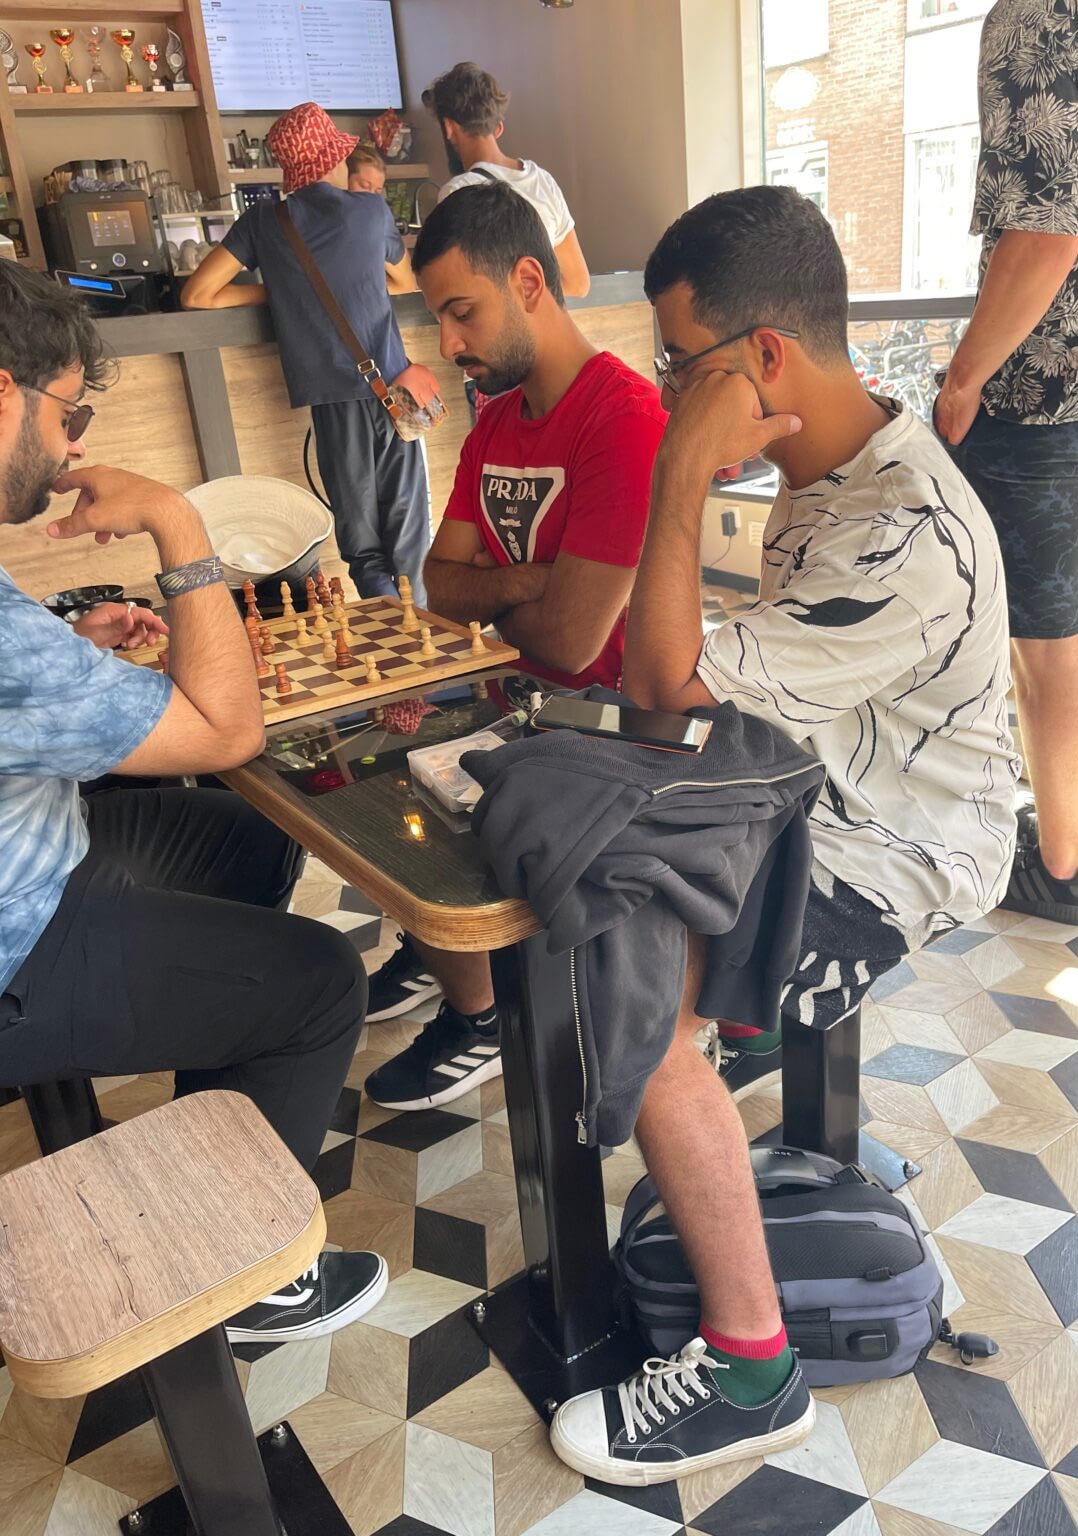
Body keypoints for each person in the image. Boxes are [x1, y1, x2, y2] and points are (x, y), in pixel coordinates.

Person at [544, 186, 1017, 1484]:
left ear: (760, 360)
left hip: (898, 845)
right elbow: (699, 678)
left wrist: (681, 465)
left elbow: (667, 680)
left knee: (622, 953)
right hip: (820, 787)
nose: (664, 386)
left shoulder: (901, 530)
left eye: (678, 366)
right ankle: (720, 1120)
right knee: (593, 831)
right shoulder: (832, 473)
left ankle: (753, 1372)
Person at [0, 262, 385, 1344]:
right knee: (319, 983)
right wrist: (178, 526)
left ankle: (218, 1112)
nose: (74, 446)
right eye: (69, 412)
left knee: (255, 839)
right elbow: (229, 731)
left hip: (38, 846)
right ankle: (248, 1278)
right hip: (14, 942)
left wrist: (67, 663)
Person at [361, 181, 665, 1110]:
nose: (448, 345)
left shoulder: (626, 419)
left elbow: (576, 644)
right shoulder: (495, 420)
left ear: (529, 280)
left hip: (604, 726)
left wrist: (507, 602)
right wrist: (542, 580)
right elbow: (437, 582)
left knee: (406, 790)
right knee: (360, 757)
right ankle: (443, 955)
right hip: (508, 695)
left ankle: (484, 1008)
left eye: (461, 313)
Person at [936, 0, 1078, 927]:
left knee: (1045, 648)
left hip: (1041, 398)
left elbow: (1042, 237)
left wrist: (963, 376)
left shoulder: (1039, 16)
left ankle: (1061, 866)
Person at [181, 101, 437, 604]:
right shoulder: (370, 210)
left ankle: (398, 652)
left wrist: (281, 290)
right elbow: (405, 282)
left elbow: (198, 295)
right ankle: (427, 654)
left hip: (332, 403)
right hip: (392, 389)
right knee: (410, 539)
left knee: (363, 547)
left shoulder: (263, 222)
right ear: (333, 160)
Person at [423, 61, 591, 298]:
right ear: (498, 128)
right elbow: (578, 284)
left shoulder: (458, 192)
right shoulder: (542, 180)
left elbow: (458, 288)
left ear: (449, 127)